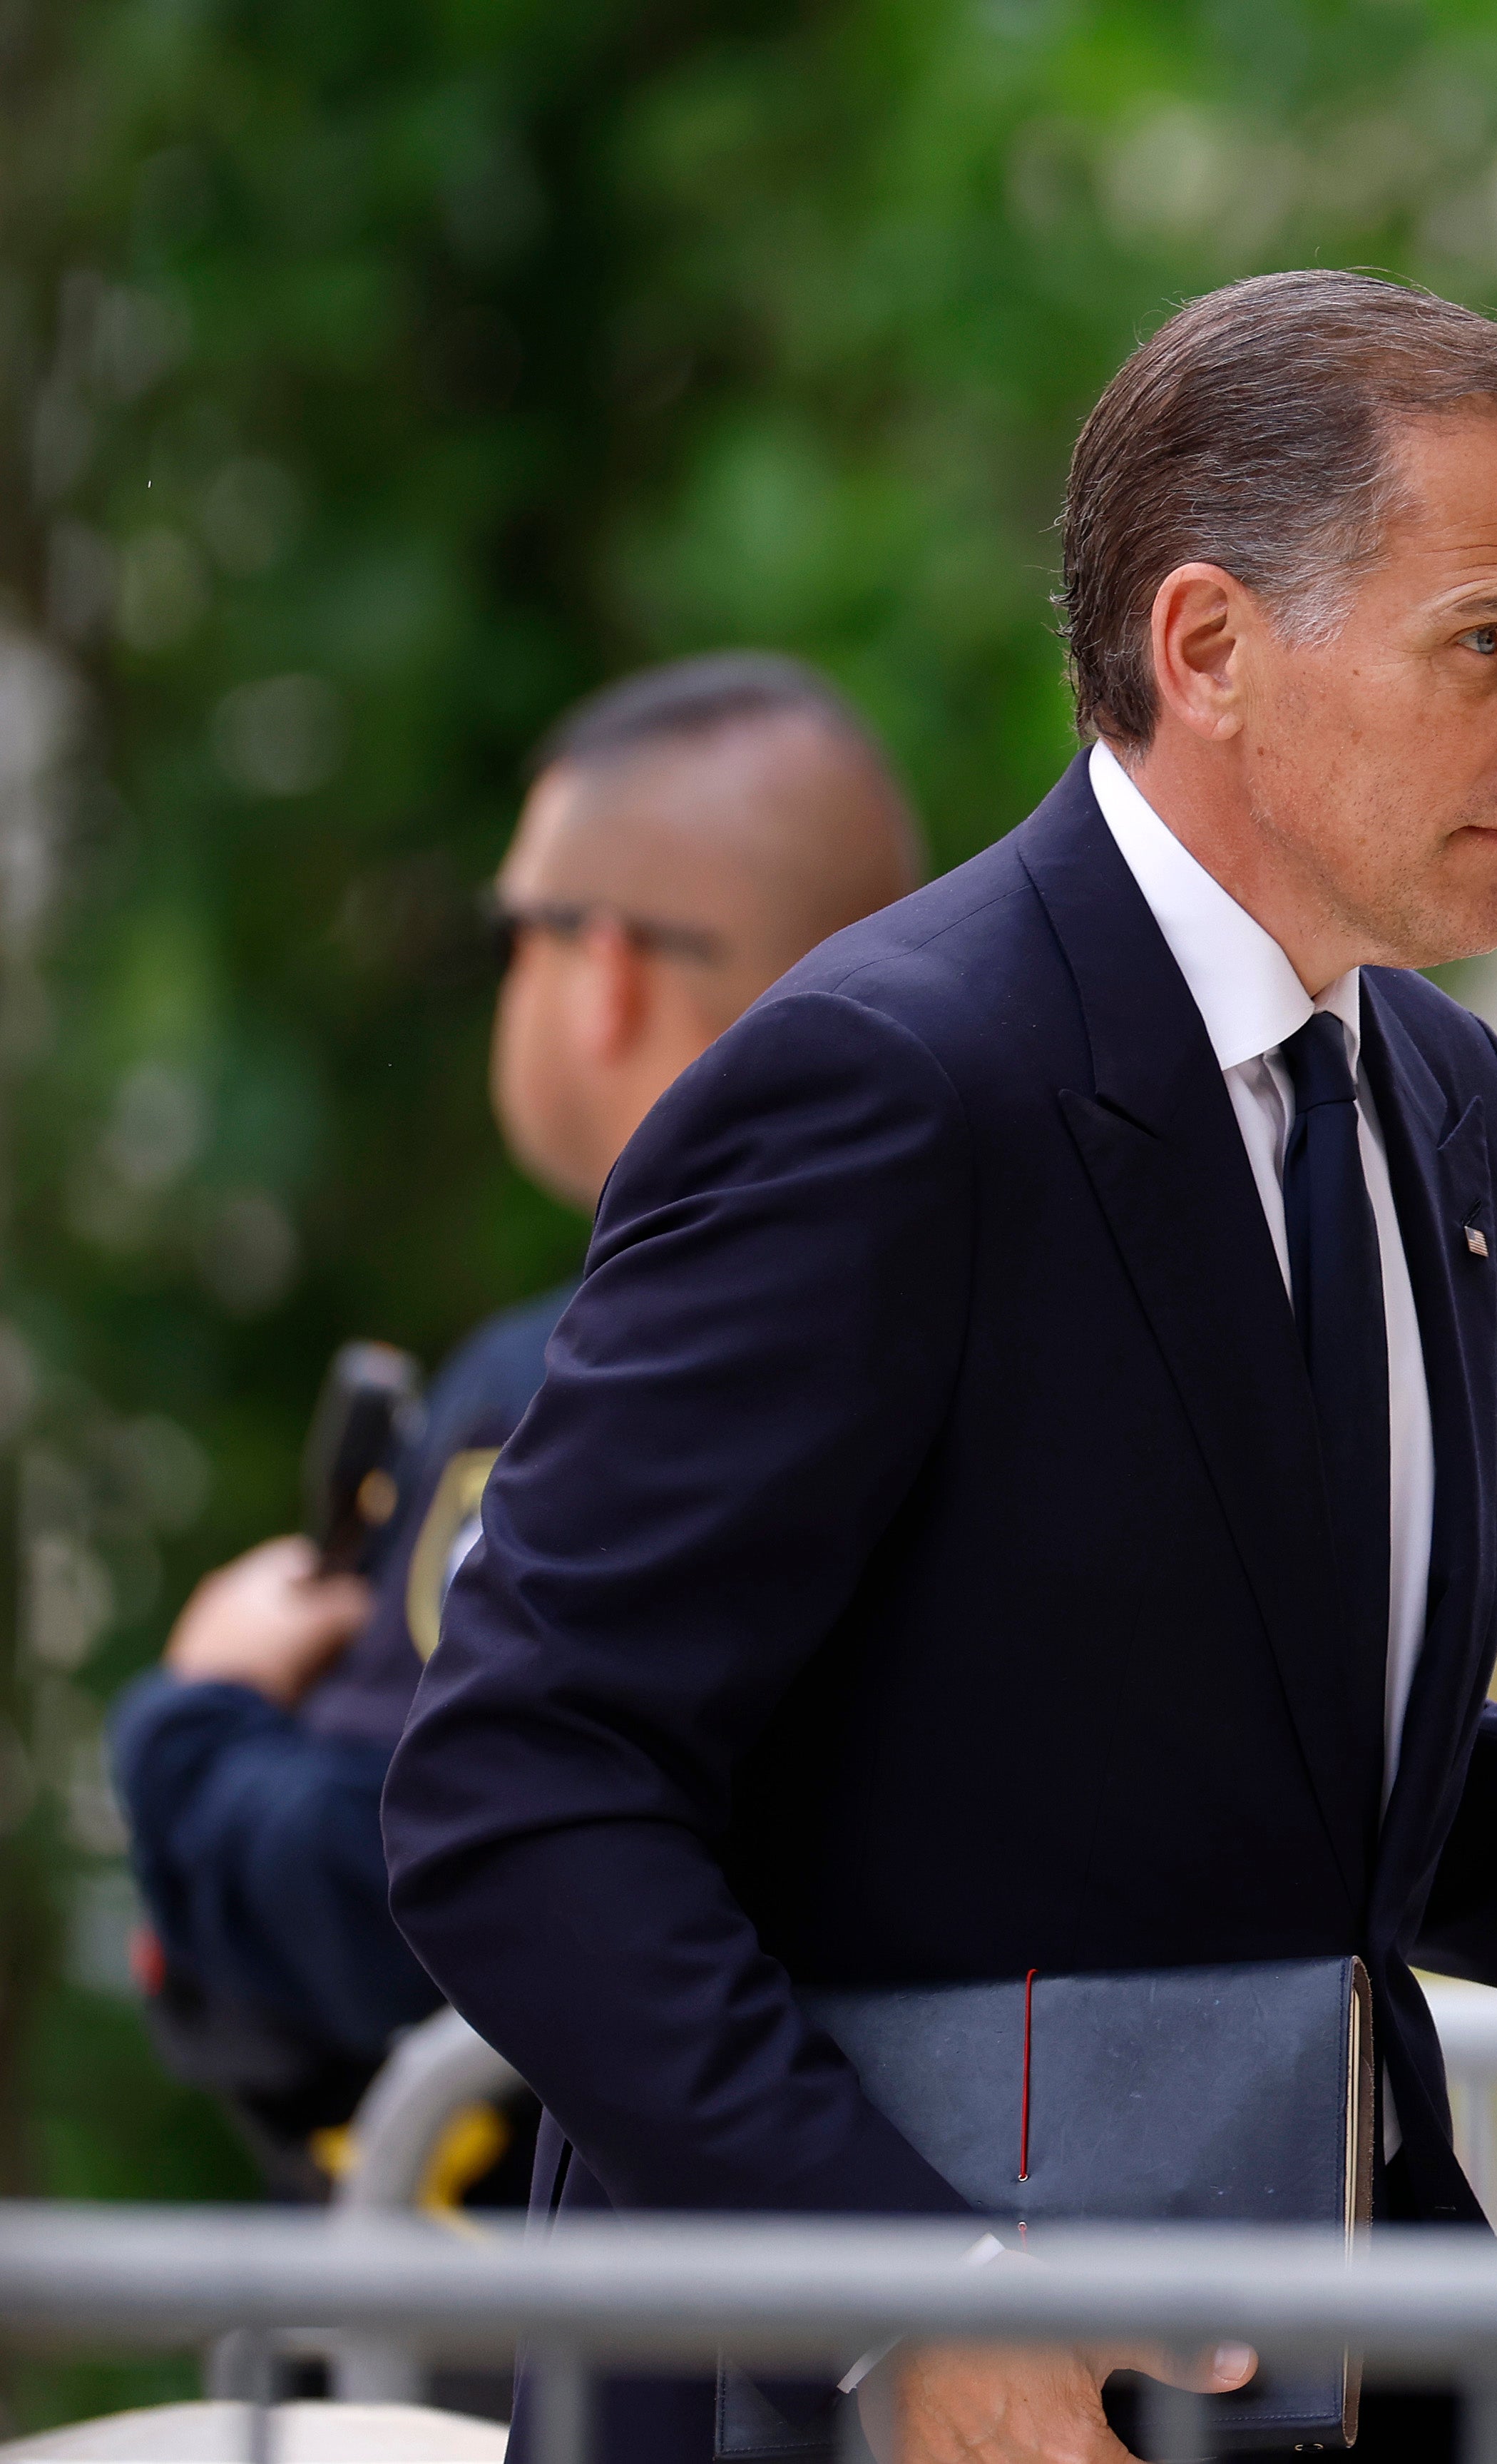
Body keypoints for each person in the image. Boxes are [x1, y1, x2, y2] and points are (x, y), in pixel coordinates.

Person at [382, 270, 1497, 2464]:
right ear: (1205, 648)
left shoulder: (1444, 1099)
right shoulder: (888, 1086)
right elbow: (520, 1787)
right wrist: (901, 2300)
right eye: (1491, 638)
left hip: (1322, 2322)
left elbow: (1360, 1805)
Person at [111, 654, 923, 2199]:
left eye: (513, 934)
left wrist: (194, 1728)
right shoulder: (1005, 1307)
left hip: (600, 2322)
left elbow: (402, 1881)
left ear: (605, 964)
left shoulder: (591, 1375)